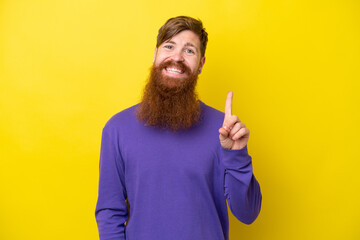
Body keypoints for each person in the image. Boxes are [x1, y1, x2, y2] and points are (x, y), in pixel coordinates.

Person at [95, 16, 262, 240]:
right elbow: (110, 211)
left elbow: (248, 213)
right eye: (169, 46)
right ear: (155, 55)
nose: (177, 57)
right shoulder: (117, 129)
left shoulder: (224, 130)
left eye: (189, 51)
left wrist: (237, 154)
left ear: (201, 64)